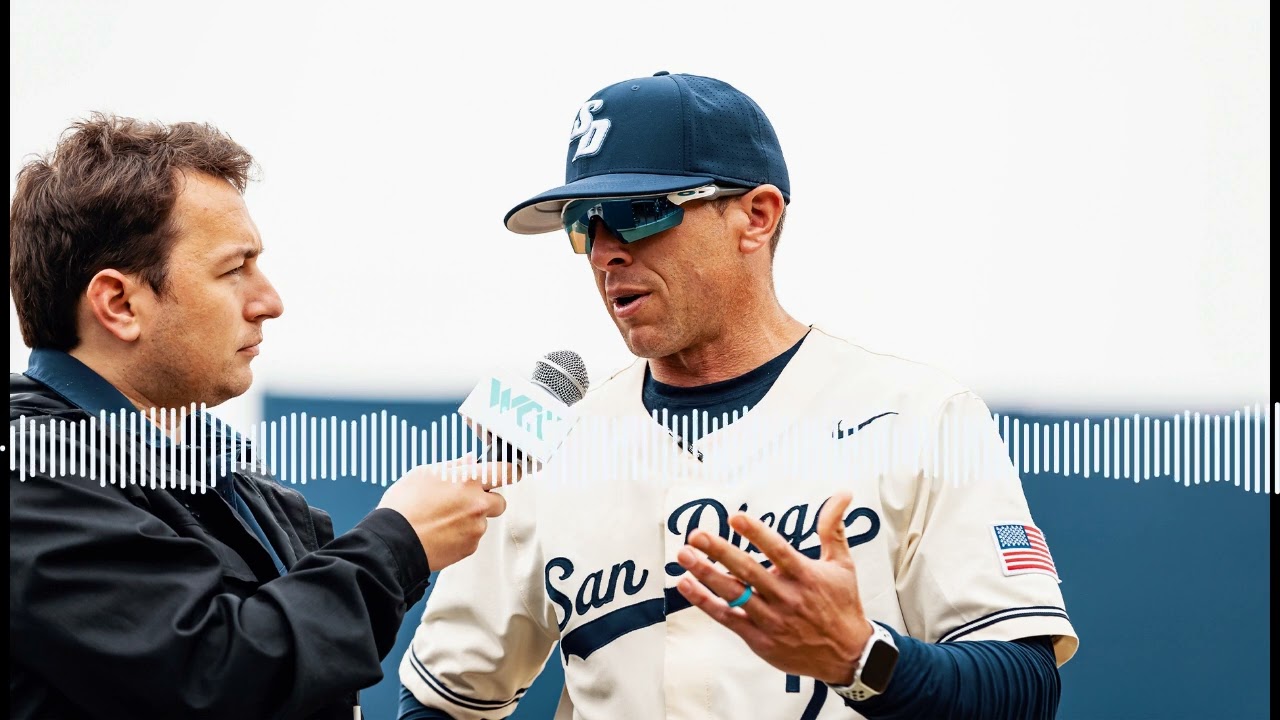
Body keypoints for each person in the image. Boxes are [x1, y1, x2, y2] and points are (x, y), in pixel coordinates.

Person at [398, 72, 1079, 719]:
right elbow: (443, 700)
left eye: (638, 213)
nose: (605, 250)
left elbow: (1023, 686)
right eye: (585, 223)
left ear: (756, 217)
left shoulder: (920, 415)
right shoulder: (549, 450)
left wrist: (860, 657)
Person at [8, 114, 521, 720]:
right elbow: (212, 675)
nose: (269, 301)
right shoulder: (27, 476)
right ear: (120, 304)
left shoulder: (238, 482)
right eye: (233, 269)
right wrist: (399, 543)